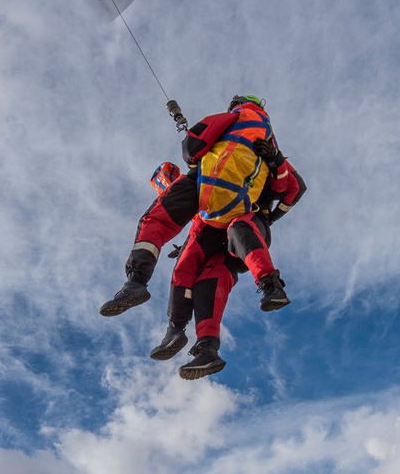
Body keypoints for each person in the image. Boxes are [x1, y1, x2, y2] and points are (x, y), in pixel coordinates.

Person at [100, 95, 299, 316]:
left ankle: (137, 282)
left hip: (205, 187)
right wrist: (271, 213)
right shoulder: (270, 144)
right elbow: (289, 187)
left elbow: (192, 146)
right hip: (238, 211)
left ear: (237, 105)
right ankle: (269, 286)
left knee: (157, 221)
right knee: (211, 269)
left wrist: (194, 156)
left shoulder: (235, 117)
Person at [151, 152, 306, 378]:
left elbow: (296, 187)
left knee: (237, 229)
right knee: (202, 280)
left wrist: (270, 216)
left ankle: (271, 285)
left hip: (246, 223)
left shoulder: (238, 153)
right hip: (212, 234)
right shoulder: (199, 182)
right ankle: (203, 347)